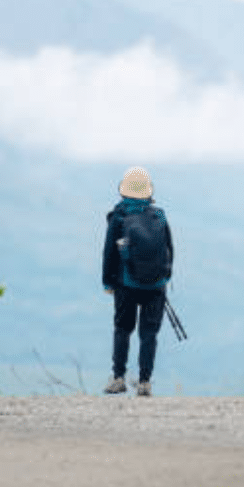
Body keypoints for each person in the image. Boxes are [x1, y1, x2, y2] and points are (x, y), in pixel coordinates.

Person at [101, 166, 173, 397]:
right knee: (149, 334)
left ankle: (119, 378)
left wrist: (107, 283)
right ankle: (144, 383)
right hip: (156, 286)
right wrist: (165, 277)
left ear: (124, 191)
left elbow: (109, 253)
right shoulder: (159, 216)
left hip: (126, 285)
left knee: (123, 329)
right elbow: (170, 249)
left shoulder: (119, 216)